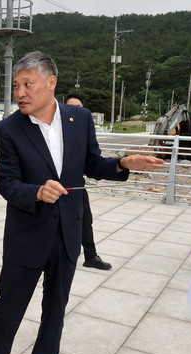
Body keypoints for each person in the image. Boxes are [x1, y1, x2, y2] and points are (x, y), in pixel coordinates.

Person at [0, 51, 163, 354]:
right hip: (26, 234)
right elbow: (7, 183)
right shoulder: (9, 129)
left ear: (51, 83)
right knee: (8, 309)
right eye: (16, 86)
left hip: (67, 232)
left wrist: (122, 163)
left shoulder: (80, 119)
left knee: (55, 310)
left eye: (27, 84)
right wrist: (36, 192)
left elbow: (92, 163)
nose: (20, 93)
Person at [64, 92, 112, 271]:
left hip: (76, 184)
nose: (75, 111)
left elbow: (93, 159)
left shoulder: (84, 131)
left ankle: (91, 256)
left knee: (85, 219)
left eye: (79, 108)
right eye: (70, 107)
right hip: (54, 185)